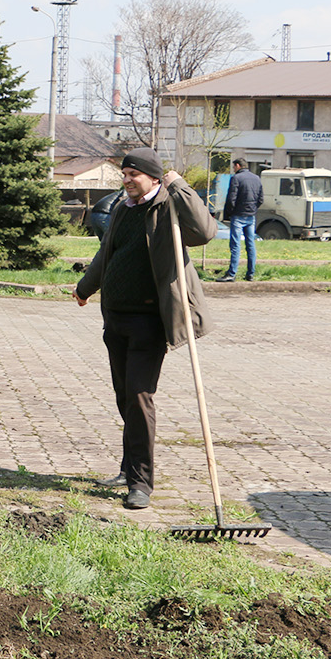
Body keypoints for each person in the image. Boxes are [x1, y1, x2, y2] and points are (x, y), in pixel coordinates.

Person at [73, 146, 218, 511]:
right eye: (124, 175)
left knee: (139, 397)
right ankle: (128, 468)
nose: (126, 181)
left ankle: (140, 482)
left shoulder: (169, 206)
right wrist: (85, 288)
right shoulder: (124, 208)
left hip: (150, 322)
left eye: (133, 175)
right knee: (125, 398)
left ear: (153, 177)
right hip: (116, 317)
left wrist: (181, 186)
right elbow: (107, 253)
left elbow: (205, 231)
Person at [218, 158, 263, 282]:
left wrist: (229, 213)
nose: (233, 169)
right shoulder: (256, 178)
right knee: (250, 244)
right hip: (251, 216)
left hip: (238, 215)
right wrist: (253, 209)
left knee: (235, 245)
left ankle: (232, 274)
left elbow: (231, 198)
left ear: (238, 166)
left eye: (234, 167)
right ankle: (250, 274)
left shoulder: (236, 178)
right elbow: (260, 199)